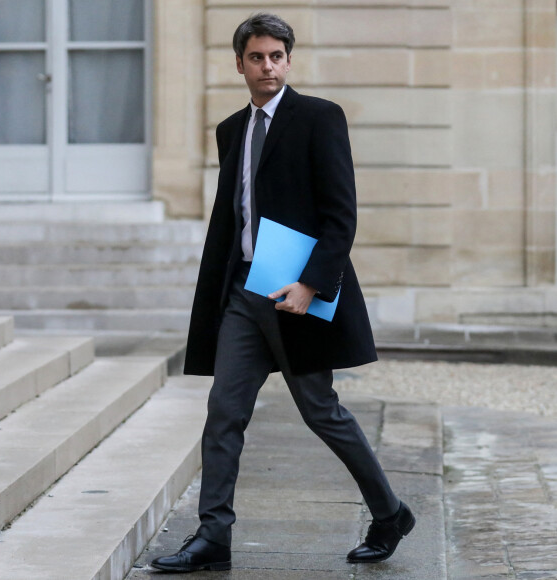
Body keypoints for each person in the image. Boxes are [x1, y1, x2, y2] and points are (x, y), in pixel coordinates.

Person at [151, 13, 415, 574]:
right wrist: (219, 293)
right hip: (244, 296)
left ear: (288, 60)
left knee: (322, 412)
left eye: (276, 56)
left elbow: (341, 214)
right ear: (240, 63)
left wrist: (312, 284)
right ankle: (213, 537)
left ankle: (390, 513)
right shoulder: (230, 130)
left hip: (298, 293)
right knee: (224, 411)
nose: (267, 66)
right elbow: (232, 216)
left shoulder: (320, 118)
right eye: (256, 57)